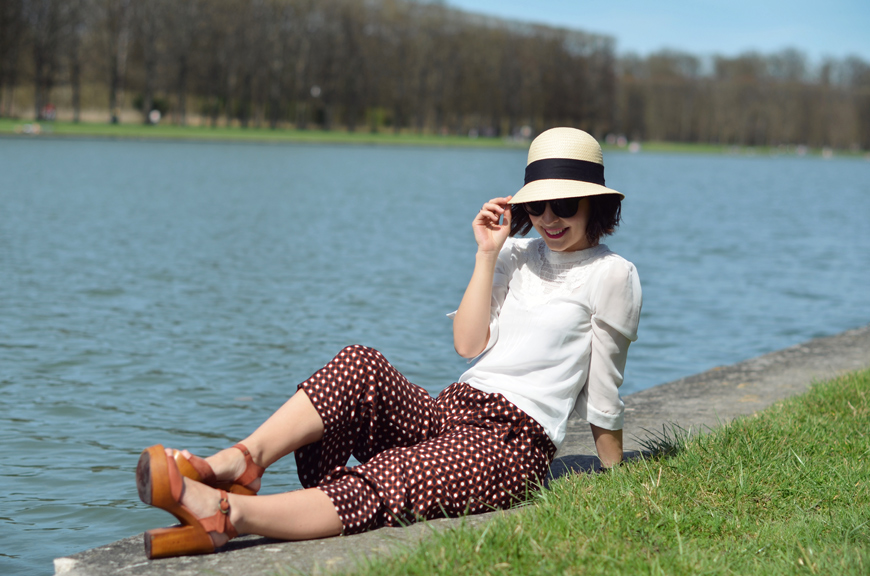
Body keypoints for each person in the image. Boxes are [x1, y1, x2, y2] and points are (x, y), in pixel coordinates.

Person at [135, 127, 642, 559]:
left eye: (566, 204)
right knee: (360, 364)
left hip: (510, 443)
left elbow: (604, 388)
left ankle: (228, 514)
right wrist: (488, 253)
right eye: (539, 203)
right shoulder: (515, 253)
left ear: (595, 205)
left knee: (396, 474)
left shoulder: (611, 274)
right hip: (451, 410)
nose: (550, 217)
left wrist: (616, 480)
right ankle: (242, 461)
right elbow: (468, 346)